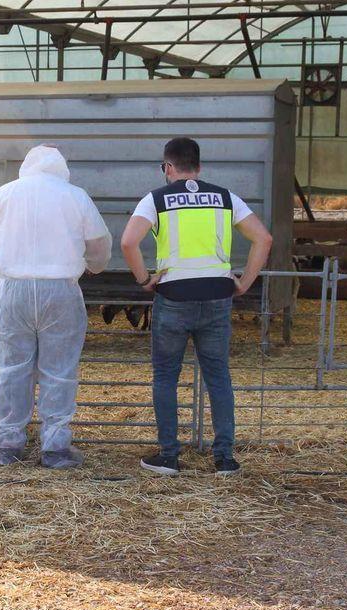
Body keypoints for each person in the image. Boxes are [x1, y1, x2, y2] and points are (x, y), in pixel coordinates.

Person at [120, 138, 272, 477]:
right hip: (218, 296)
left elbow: (129, 241)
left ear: (168, 167)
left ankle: (169, 456)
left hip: (173, 296)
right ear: (199, 168)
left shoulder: (156, 199)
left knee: (165, 377)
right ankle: (225, 459)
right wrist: (245, 282)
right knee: (218, 376)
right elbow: (264, 238)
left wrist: (145, 278)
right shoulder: (224, 197)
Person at [0, 145, 111, 468]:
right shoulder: (76, 196)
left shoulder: (4, 194)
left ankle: (8, 444)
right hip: (61, 289)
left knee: (12, 368)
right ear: (61, 168)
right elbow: (100, 245)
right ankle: (55, 447)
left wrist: (5, 266)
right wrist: (93, 264)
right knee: (59, 369)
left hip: (14, 289)